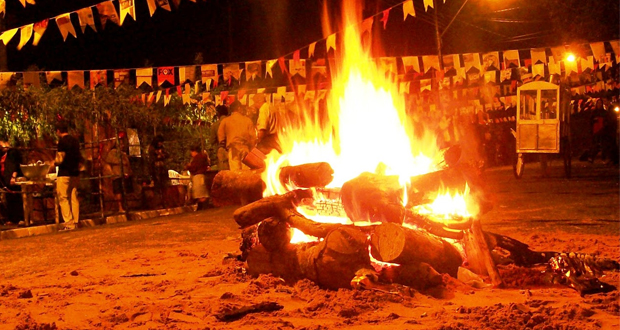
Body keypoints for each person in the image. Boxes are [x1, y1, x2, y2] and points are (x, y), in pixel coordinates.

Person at [55, 122, 81, 231]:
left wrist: (54, 163)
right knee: (73, 196)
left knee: (63, 197)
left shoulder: (62, 142)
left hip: (64, 172)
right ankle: (76, 221)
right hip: (75, 172)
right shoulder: (75, 141)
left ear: (58, 131)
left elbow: (60, 158)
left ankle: (69, 222)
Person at [217, 100, 256, 170]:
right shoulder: (247, 120)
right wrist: (251, 149)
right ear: (239, 108)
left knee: (235, 173)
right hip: (245, 149)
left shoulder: (225, 121)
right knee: (246, 173)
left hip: (233, 150)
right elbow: (253, 138)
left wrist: (223, 148)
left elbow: (221, 136)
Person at [104, 136, 133, 213]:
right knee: (118, 191)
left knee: (124, 191)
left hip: (124, 174)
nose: (122, 145)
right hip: (117, 175)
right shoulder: (113, 152)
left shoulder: (123, 154)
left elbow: (127, 164)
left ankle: (125, 206)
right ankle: (120, 207)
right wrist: (112, 174)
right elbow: (109, 163)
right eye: (120, 144)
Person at [0, 140, 24, 225]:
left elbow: (16, 165)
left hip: (13, 179)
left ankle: (20, 218)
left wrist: (13, 177)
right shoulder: (2, 154)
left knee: (16, 198)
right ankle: (12, 219)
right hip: (5, 180)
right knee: (9, 199)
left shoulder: (13, 152)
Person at [184, 145, 211, 210]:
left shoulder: (197, 158)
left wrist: (188, 166)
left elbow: (194, 168)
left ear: (194, 151)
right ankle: (202, 206)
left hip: (198, 175)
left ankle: (203, 206)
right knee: (201, 192)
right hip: (201, 175)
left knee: (200, 192)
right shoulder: (202, 157)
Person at [148, 135, 170, 199]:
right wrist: (157, 156)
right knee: (157, 184)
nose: (161, 144)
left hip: (162, 168)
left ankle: (165, 198)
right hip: (155, 168)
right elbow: (151, 158)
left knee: (164, 184)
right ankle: (158, 199)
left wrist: (162, 155)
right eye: (160, 142)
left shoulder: (162, 148)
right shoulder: (152, 148)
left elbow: (167, 155)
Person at [210, 105, 229, 170]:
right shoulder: (234, 122)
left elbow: (212, 140)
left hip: (222, 150)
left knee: (224, 174)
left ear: (218, 114)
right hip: (234, 149)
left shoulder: (215, 125)